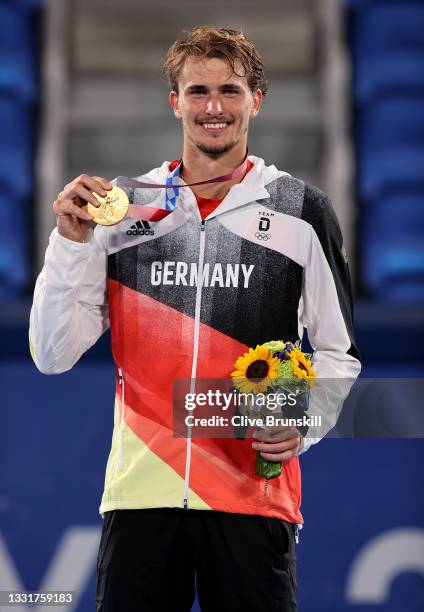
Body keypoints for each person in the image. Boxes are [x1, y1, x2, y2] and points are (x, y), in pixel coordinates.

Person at [30, 26, 361, 612]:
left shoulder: (302, 211)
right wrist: (69, 244)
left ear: (256, 99)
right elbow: (51, 355)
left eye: (230, 91)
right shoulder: (126, 207)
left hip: (252, 497)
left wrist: (305, 424)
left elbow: (339, 352)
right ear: (174, 101)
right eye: (198, 91)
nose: (214, 107)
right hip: (140, 499)